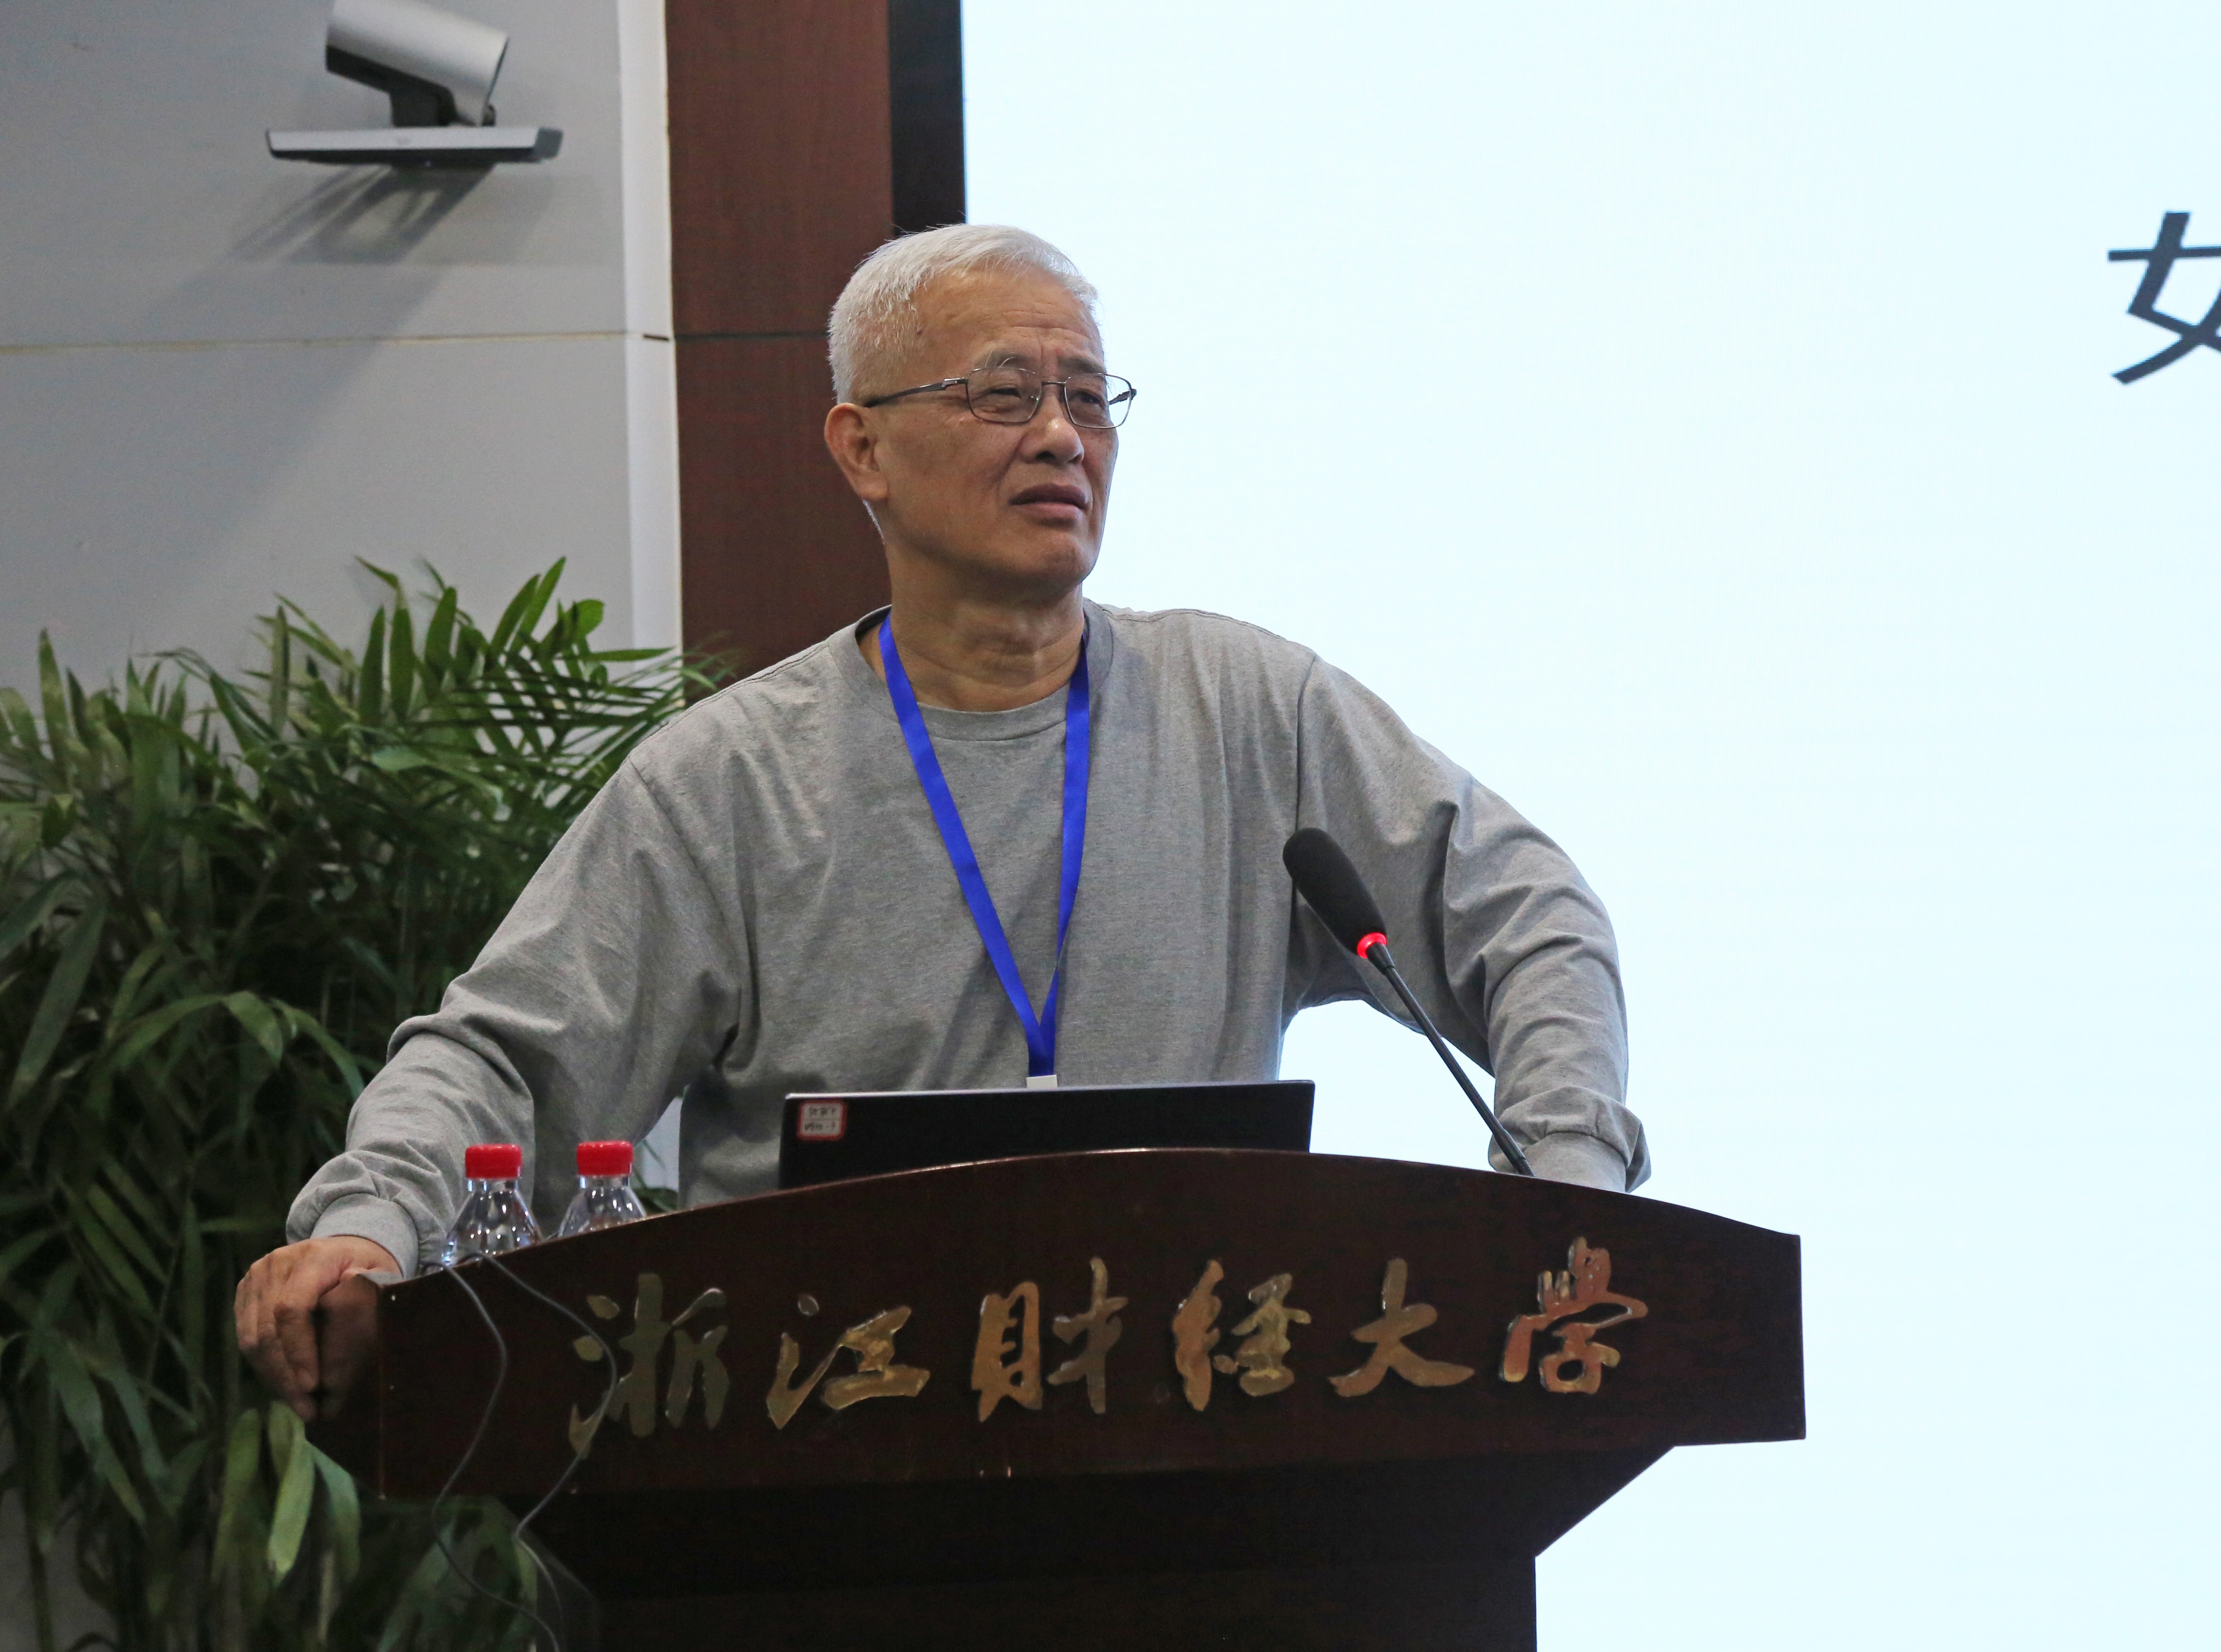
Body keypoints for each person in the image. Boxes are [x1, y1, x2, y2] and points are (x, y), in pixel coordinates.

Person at [235, 225, 1648, 1419]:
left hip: (1199, 1451)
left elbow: (1527, 918)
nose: (1061, 436)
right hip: (815, 1459)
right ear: (862, 447)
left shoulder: (1249, 715)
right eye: (1003, 393)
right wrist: (370, 1225)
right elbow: (506, 1059)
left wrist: (1568, 1180)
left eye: (1090, 398)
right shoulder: (732, 783)